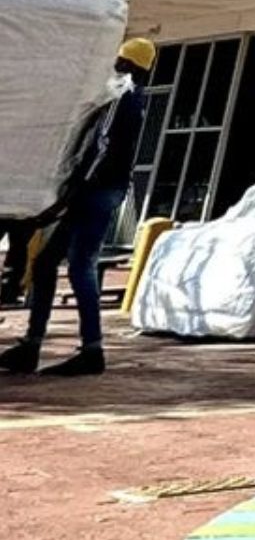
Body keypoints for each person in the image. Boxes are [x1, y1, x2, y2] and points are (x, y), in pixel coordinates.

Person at [0, 38, 155, 376]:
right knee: (45, 264)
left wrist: (74, 187)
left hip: (94, 190)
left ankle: (91, 350)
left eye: (118, 61)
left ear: (127, 64)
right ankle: (33, 344)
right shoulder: (136, 98)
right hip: (102, 190)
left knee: (80, 266)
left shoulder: (122, 94)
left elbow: (103, 145)